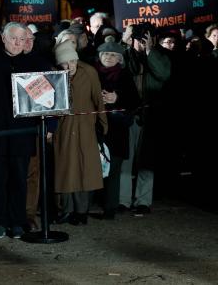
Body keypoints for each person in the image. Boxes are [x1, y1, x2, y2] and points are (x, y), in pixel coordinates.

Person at [0, 22, 52, 239]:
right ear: (4, 39)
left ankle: (17, 221)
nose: (18, 43)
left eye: (22, 39)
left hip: (23, 133)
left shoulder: (35, 64)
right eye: (13, 39)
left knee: (20, 178)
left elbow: (45, 98)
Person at [52, 41, 107, 225]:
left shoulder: (89, 72)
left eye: (72, 62)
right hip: (64, 127)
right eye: (65, 64)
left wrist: (102, 125)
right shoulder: (55, 75)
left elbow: (98, 99)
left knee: (85, 169)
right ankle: (66, 210)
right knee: (65, 168)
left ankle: (82, 211)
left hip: (85, 127)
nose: (70, 67)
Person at [119, 23, 171, 215]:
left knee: (147, 161)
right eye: (139, 40)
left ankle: (143, 200)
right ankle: (123, 200)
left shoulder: (160, 56)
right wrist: (124, 44)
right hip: (129, 115)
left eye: (146, 40)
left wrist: (149, 51)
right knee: (125, 159)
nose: (141, 44)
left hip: (151, 116)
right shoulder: (126, 55)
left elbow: (163, 74)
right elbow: (113, 65)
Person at [93, 37, 140, 219]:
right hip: (95, 128)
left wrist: (117, 98)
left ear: (120, 58)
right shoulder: (92, 73)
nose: (109, 57)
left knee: (114, 170)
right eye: (106, 54)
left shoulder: (125, 75)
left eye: (113, 55)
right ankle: (86, 205)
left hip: (117, 131)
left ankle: (110, 208)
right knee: (93, 167)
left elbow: (135, 101)